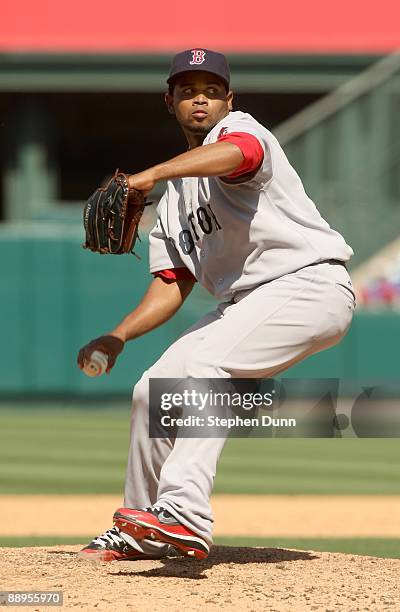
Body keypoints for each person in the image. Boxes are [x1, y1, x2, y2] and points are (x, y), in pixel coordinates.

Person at [77, 49, 356, 562]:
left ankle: (184, 509)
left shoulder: (243, 133)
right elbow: (170, 285)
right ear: (170, 101)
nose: (199, 98)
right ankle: (139, 524)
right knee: (151, 390)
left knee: (207, 366)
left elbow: (239, 155)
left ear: (229, 99)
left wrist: (149, 174)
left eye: (210, 90)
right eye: (187, 90)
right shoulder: (174, 205)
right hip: (245, 305)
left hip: (309, 286)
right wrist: (118, 335)